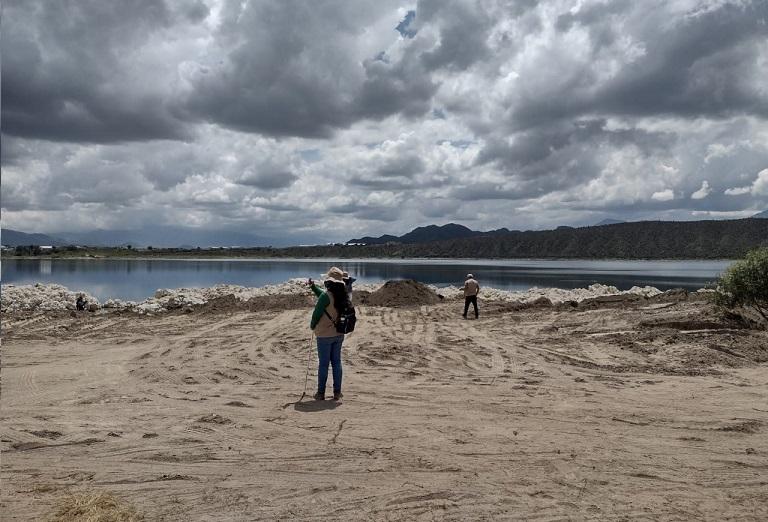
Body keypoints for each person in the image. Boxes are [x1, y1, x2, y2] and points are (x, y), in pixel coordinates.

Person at [308, 266, 349, 401]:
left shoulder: (327, 296)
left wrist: (312, 326)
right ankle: (337, 392)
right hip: (339, 333)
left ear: (330, 281)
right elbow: (323, 296)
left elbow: (317, 313)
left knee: (324, 364)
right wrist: (314, 288)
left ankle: (321, 393)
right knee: (337, 362)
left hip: (325, 335)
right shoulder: (344, 295)